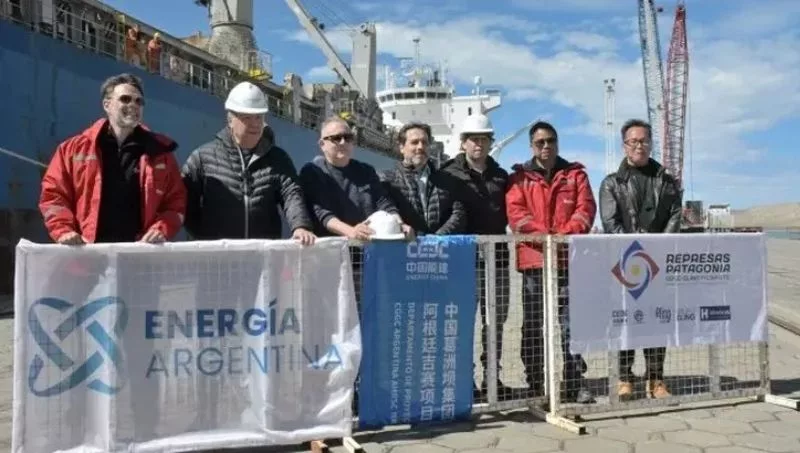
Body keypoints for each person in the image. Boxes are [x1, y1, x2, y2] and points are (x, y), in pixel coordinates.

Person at [505, 121, 595, 403]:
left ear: (557, 143)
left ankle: (574, 382)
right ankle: (536, 383)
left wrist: (563, 236)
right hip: (534, 263)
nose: (546, 146)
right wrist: (545, 237)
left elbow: (585, 210)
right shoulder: (519, 178)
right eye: (540, 142)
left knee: (571, 324)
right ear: (531, 146)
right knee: (534, 324)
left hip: (568, 260)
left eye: (551, 141)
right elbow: (516, 215)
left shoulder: (576, 175)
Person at [39, 72, 186, 245]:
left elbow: (176, 201)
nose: (133, 105)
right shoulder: (71, 150)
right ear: (107, 105)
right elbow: (53, 195)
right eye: (125, 99)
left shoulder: (160, 154)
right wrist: (63, 230)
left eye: (139, 101)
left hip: (138, 254)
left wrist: (161, 229)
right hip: (88, 253)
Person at [599, 118, 682, 400]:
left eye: (644, 140)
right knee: (626, 322)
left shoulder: (667, 181)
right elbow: (611, 223)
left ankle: (656, 379)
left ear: (650, 144)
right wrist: (636, 251)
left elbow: (675, 215)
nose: (639, 145)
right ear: (624, 146)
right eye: (633, 141)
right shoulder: (612, 183)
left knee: (658, 322)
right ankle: (624, 378)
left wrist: (659, 247)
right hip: (626, 265)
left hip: (658, 265)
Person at [181, 81, 315, 244]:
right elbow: (184, 202)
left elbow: (291, 193)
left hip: (264, 254)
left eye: (259, 117)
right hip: (219, 255)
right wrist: (203, 237)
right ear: (230, 120)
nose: (255, 123)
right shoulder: (202, 157)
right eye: (247, 117)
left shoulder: (278, 158)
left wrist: (300, 226)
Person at [438, 113, 511, 401]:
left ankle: (493, 378)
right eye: (473, 139)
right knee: (462, 323)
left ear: (491, 142)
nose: (478, 144)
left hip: (497, 260)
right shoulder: (447, 174)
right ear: (463, 142)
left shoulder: (501, 176)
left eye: (484, 139)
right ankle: (463, 380)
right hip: (462, 262)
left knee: (495, 323)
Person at [299, 116, 411, 242]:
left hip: (368, 245)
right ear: (322, 144)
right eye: (336, 138)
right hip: (332, 247)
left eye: (348, 138)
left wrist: (400, 224)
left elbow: (384, 203)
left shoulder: (366, 171)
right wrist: (351, 231)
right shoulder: (313, 171)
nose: (343, 142)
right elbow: (321, 212)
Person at [379, 122, 466, 235]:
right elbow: (386, 213)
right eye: (414, 142)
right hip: (405, 244)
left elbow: (459, 213)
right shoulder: (386, 180)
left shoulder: (447, 180)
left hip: (442, 244)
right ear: (401, 147)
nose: (420, 147)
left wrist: (436, 239)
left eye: (424, 142)